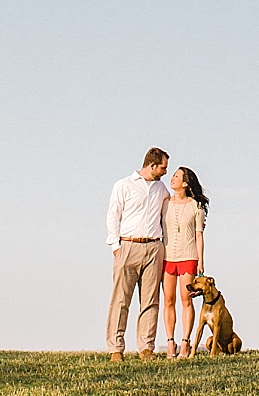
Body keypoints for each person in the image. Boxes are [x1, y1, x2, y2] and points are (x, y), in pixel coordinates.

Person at [105, 147, 170, 362]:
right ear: (152, 165)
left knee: (150, 300)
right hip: (128, 245)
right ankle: (116, 348)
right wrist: (116, 245)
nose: (165, 172)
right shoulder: (123, 185)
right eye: (163, 167)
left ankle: (146, 348)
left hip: (154, 247)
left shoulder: (162, 190)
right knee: (121, 300)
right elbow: (113, 215)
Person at [161, 166, 209, 358]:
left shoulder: (196, 207)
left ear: (186, 183)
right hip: (167, 257)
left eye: (176, 176)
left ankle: (185, 342)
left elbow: (199, 235)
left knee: (185, 299)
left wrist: (200, 261)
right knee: (168, 300)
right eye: (172, 175)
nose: (172, 179)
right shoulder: (164, 203)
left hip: (188, 256)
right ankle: (170, 342)